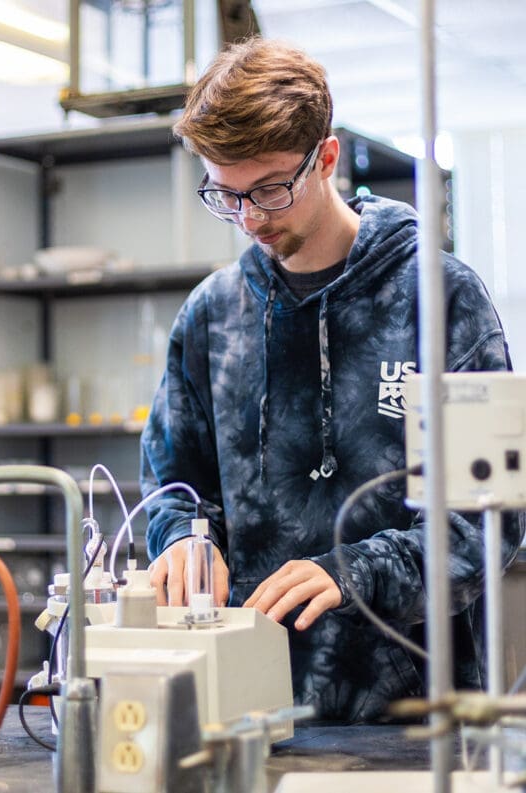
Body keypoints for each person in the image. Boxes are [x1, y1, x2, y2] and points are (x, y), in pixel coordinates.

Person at [139, 36, 524, 722]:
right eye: (224, 196)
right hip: (249, 708)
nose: (249, 218)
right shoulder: (210, 319)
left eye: (269, 189)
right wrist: (185, 539)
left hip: (418, 713)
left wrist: (352, 570)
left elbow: (490, 518)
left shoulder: (440, 300)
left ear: (327, 158)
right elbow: (176, 485)